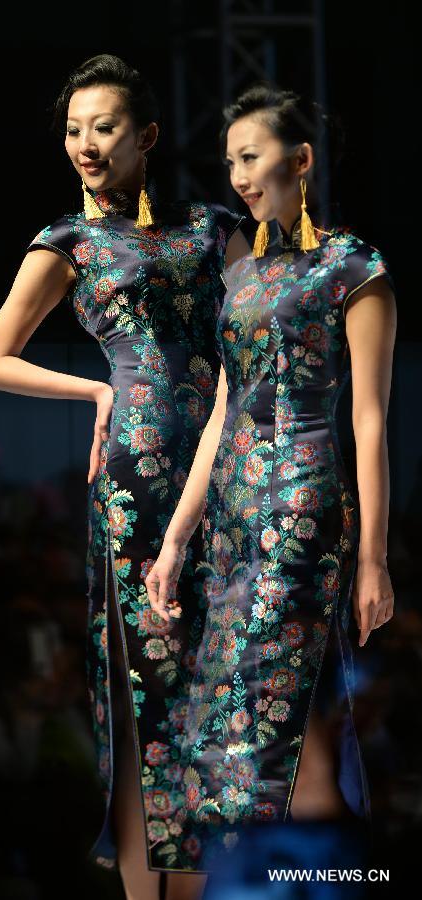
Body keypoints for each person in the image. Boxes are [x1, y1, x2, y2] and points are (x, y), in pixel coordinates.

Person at [0, 53, 251, 900]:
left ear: (147, 137)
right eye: (72, 130)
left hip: (227, 471)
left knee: (222, 697)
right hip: (132, 476)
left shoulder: (212, 230)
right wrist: (97, 386)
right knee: (149, 692)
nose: (84, 145)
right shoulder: (67, 241)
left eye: (103, 128)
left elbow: (257, 349)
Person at [145, 84, 396, 872]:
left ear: (301, 159)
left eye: (250, 157)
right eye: (229, 163)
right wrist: (176, 538)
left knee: (265, 686)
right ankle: (246, 871)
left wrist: (372, 560)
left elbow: (369, 419)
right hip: (229, 505)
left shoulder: (354, 266)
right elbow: (221, 409)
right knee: (221, 689)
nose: (239, 176)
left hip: (301, 500)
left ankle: (282, 872)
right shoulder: (242, 276)